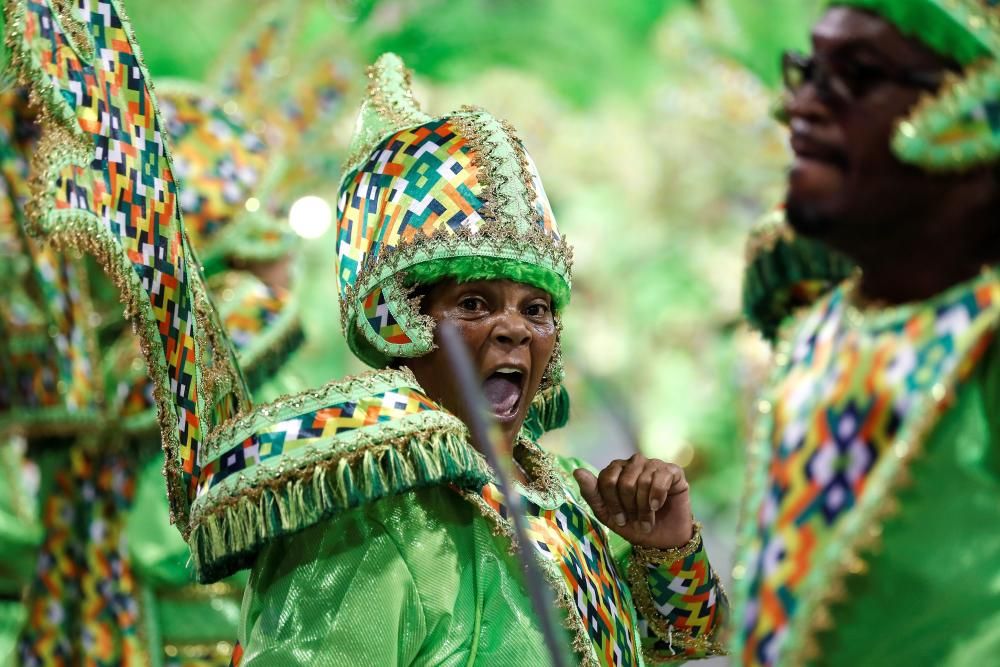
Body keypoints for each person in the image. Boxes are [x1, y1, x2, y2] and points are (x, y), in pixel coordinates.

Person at [219, 53, 729, 665]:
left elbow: (680, 643)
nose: (514, 328)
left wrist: (666, 547)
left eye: (536, 308)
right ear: (403, 323)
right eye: (475, 302)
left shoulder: (567, 494)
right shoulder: (364, 524)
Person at [733, 2, 1000, 665]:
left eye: (856, 73)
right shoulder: (813, 333)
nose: (798, 108)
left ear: (977, 110)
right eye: (807, 72)